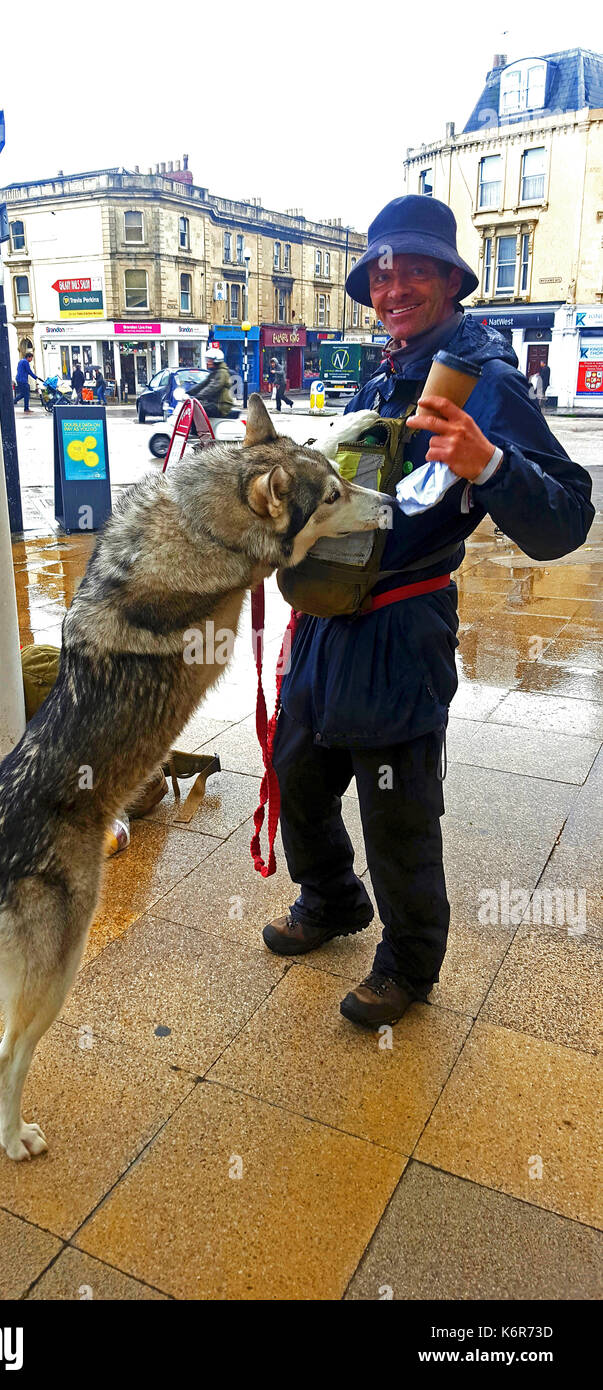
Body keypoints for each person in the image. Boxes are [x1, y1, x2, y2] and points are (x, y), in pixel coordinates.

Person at [263, 194, 594, 1027]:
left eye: (414, 269)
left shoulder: (483, 378)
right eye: (382, 271)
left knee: (395, 806)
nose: (394, 285)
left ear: (450, 279)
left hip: (401, 629)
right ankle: (332, 898)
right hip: (326, 621)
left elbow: (565, 519)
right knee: (298, 774)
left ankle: (408, 964)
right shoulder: (387, 366)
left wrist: (488, 464)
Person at [188, 347, 234, 418]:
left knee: (196, 410)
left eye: (209, 360)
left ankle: (197, 429)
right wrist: (189, 392)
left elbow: (213, 387)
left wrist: (198, 396)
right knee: (195, 409)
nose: (207, 362)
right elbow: (203, 384)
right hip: (215, 403)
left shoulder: (222, 372)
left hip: (222, 405)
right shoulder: (215, 372)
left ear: (216, 360)